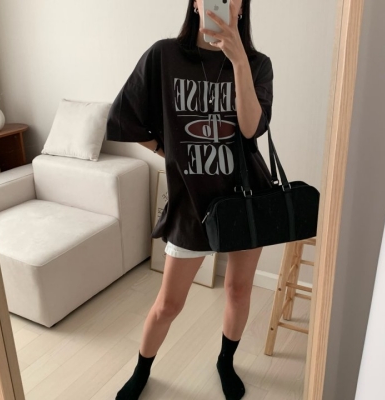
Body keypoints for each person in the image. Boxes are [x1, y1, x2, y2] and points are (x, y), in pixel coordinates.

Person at [106, 1, 274, 399]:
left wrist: (238, 62)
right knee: (168, 304)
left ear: (242, 8)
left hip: (246, 196)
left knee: (238, 291)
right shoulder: (164, 56)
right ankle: (142, 370)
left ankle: (225, 362)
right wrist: (169, 152)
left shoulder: (257, 64)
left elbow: (251, 129)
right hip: (190, 201)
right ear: (196, 3)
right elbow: (123, 118)